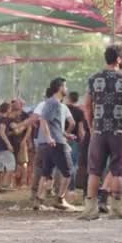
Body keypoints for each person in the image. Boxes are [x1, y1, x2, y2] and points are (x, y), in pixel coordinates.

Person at [79, 45, 122, 220]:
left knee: (94, 170)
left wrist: (91, 126)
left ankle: (90, 209)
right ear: (118, 59)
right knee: (118, 169)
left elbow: (87, 106)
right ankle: (116, 209)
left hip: (98, 131)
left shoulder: (93, 78)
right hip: (119, 131)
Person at [33, 78, 76, 210]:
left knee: (46, 174)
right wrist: (50, 137)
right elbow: (43, 120)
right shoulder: (54, 103)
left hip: (51, 142)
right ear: (60, 88)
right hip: (56, 143)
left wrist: (66, 134)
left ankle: (38, 201)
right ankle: (60, 199)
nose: (67, 89)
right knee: (69, 172)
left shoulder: (52, 103)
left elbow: (53, 124)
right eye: (65, 86)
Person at [0, 102, 16, 193]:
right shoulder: (5, 119)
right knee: (11, 165)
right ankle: (5, 185)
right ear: (8, 109)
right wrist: (8, 144)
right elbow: (2, 132)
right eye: (10, 108)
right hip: (3, 146)